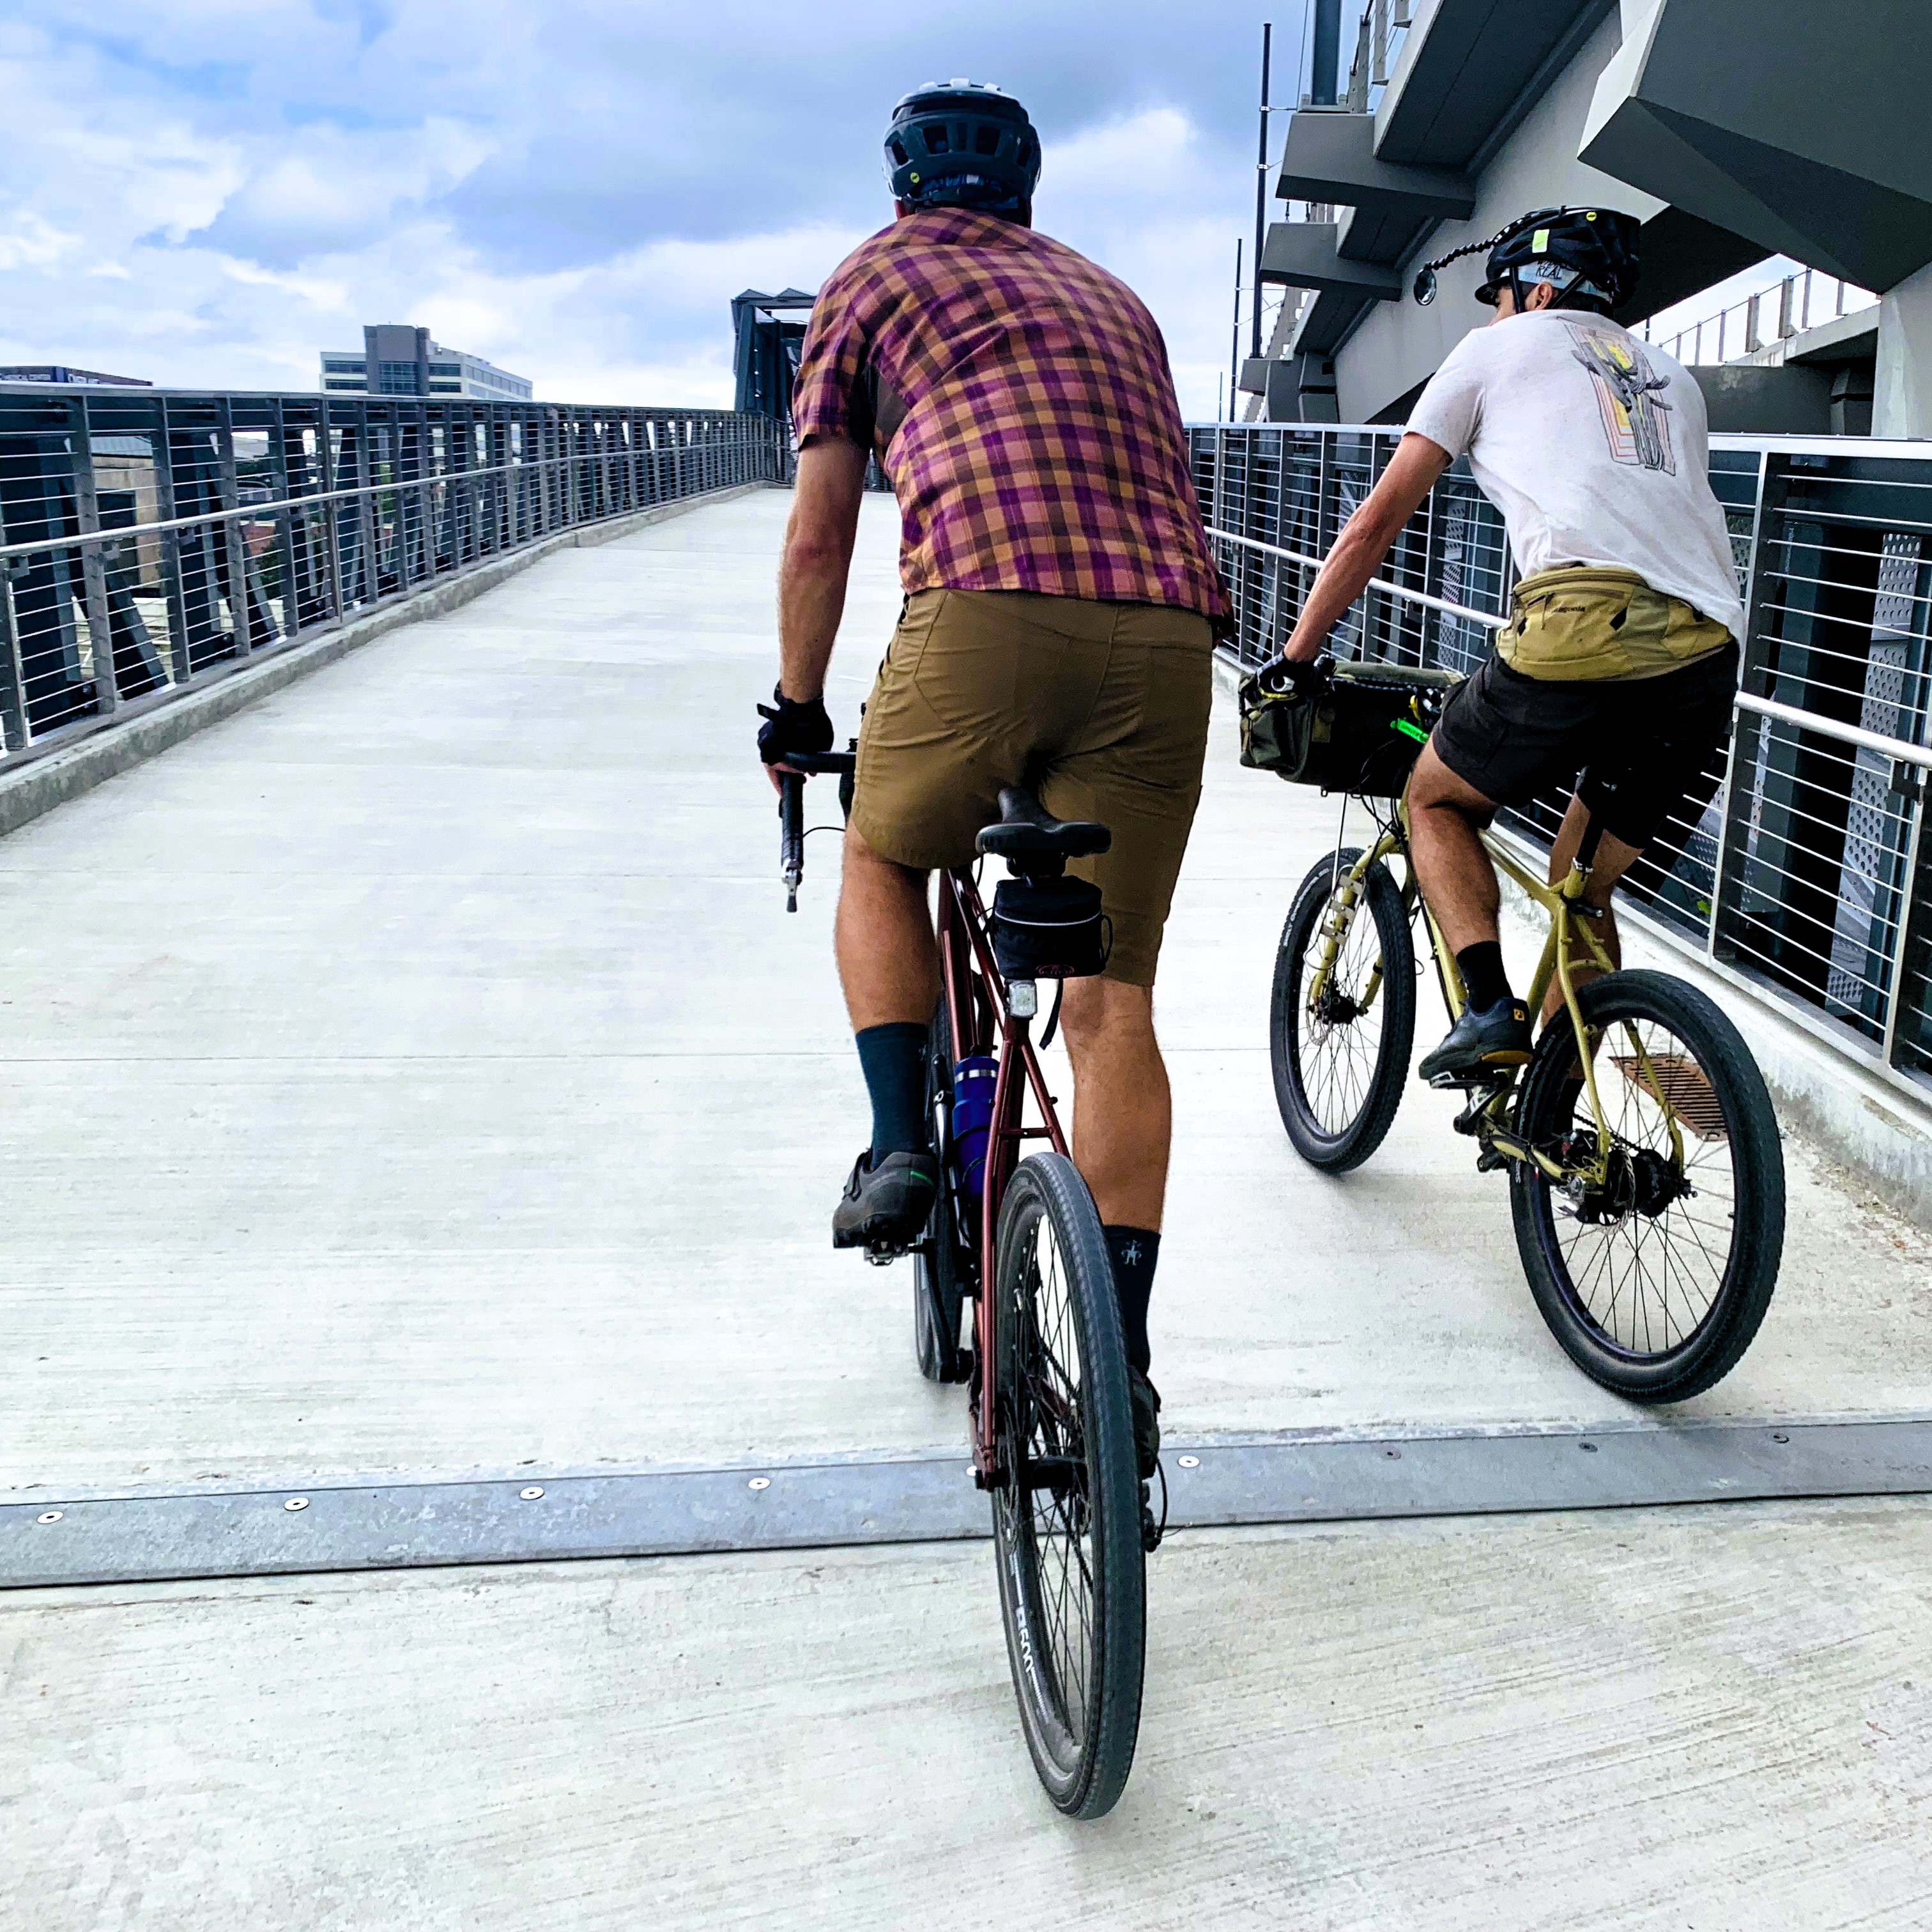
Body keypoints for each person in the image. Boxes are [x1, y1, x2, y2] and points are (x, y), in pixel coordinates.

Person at [755, 79, 1229, 1473]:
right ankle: (1121, 1369)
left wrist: (797, 711)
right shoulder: (1114, 295)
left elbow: (822, 532)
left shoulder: (876, 274)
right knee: (1109, 1002)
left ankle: (902, 1147)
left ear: (902, 184)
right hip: (1162, 634)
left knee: (884, 858)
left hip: (983, 609)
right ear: (1028, 189)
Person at [1262, 205, 1743, 1079]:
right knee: (1583, 888)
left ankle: (1489, 1010)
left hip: (1581, 625)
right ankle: (1558, 1110)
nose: (1491, 317)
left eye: (1500, 299)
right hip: (1707, 654)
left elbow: (1376, 524)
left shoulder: (1493, 350)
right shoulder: (1674, 375)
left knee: (1436, 800)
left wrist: (1295, 656)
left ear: (1539, 287)